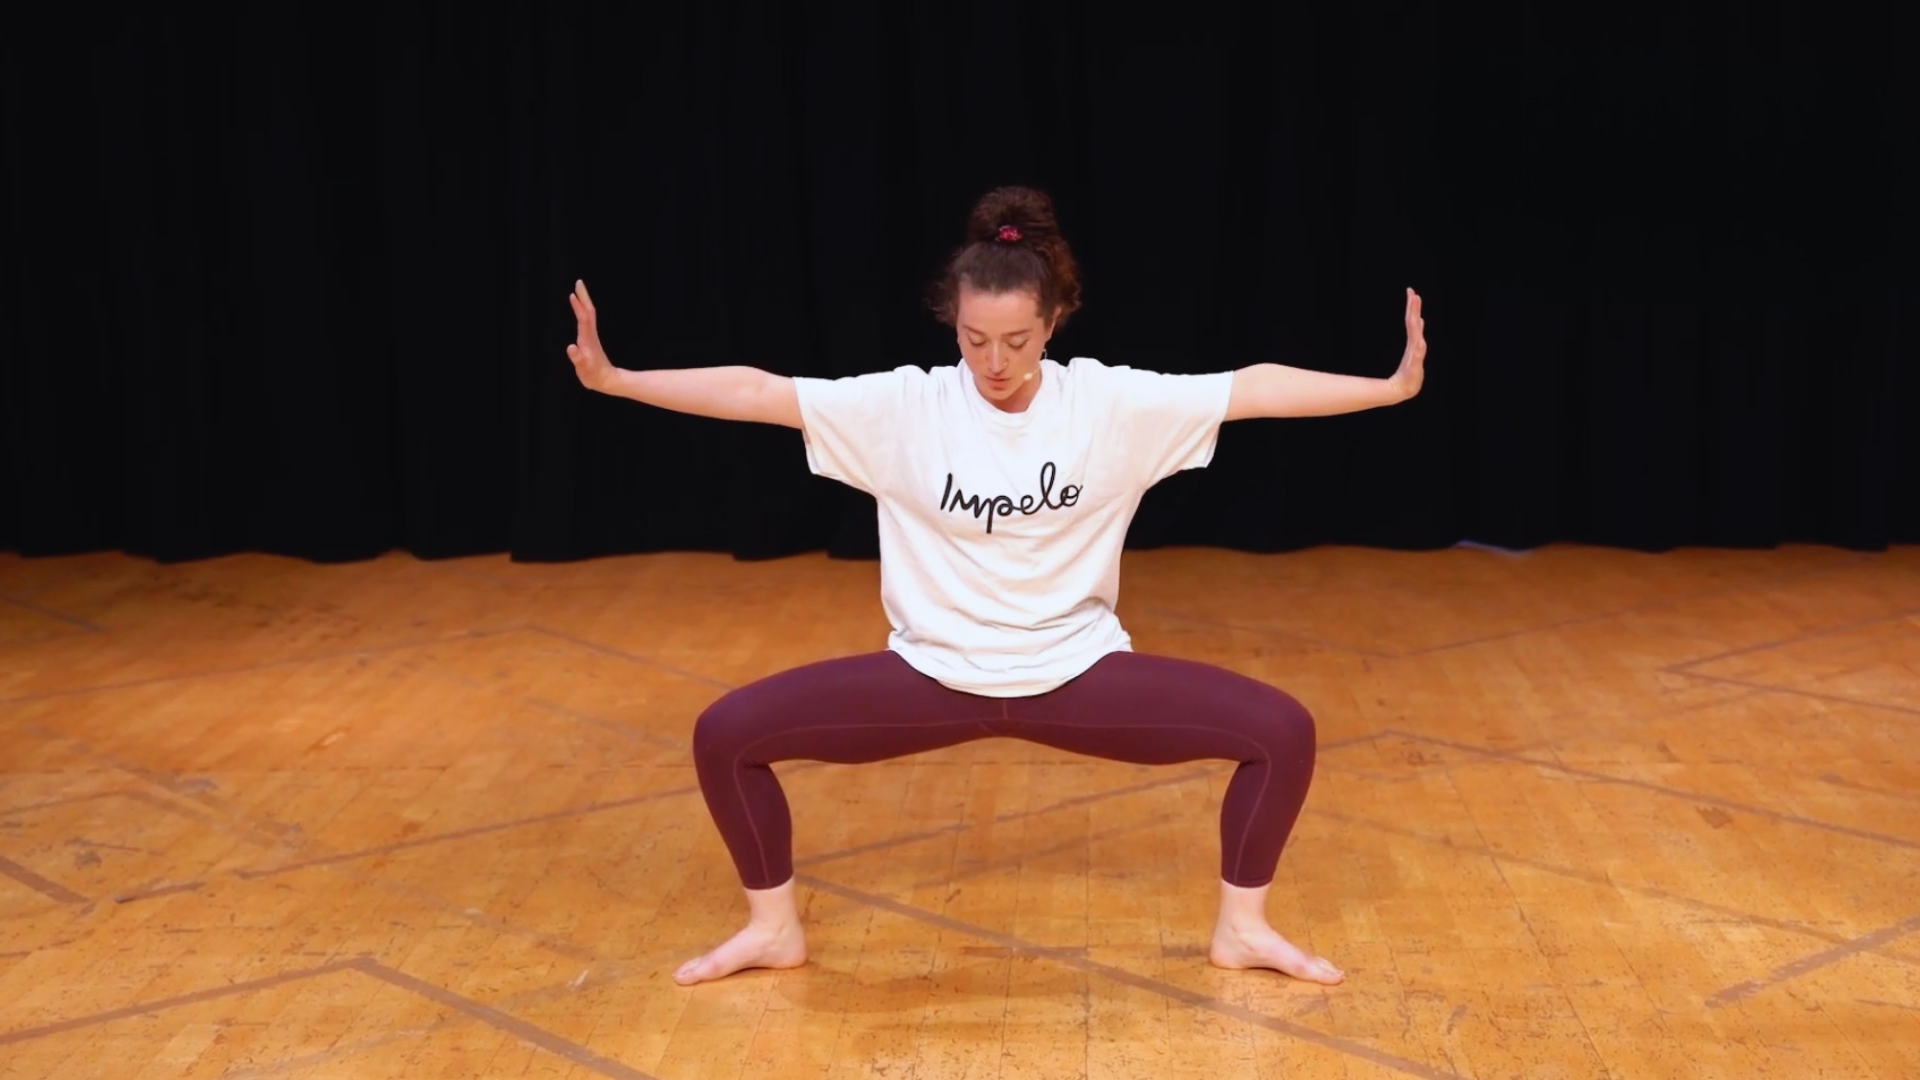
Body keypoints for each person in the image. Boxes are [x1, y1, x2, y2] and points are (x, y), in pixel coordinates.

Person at [565, 186, 1426, 988]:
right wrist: (616, 380)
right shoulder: (906, 408)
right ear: (954, 324)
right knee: (726, 734)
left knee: (1281, 731)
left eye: (1016, 341)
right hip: (930, 677)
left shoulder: (1110, 405)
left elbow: (1254, 390)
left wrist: (1390, 390)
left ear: (1053, 322)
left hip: (1078, 675)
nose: (994, 361)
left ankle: (1242, 929)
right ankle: (772, 930)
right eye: (975, 340)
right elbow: (759, 393)